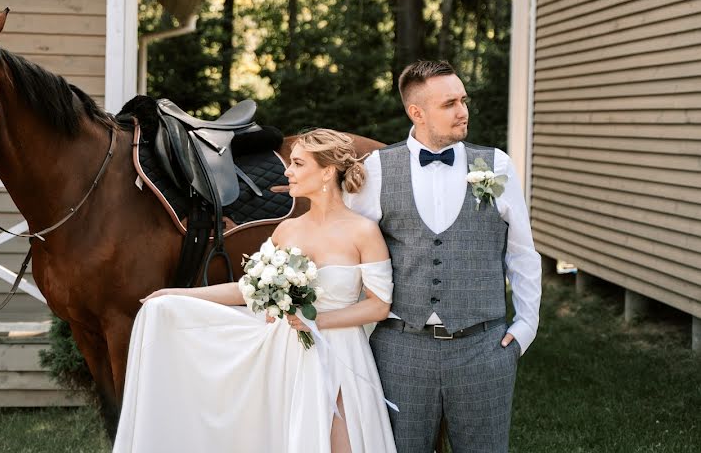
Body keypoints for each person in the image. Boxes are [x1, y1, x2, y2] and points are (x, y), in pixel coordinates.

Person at [113, 129, 396, 453]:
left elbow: (379, 306)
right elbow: (250, 288)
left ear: (327, 172)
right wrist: (176, 295)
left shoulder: (363, 231)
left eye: (298, 164)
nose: (287, 171)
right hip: (285, 352)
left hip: (341, 353)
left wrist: (319, 322)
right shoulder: (287, 229)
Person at [344, 60, 542, 453]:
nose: (463, 111)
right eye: (450, 103)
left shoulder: (495, 165)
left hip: (483, 349)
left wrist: (524, 330)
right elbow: (349, 252)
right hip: (400, 350)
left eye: (464, 100)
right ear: (416, 112)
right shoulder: (378, 170)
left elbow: (522, 253)